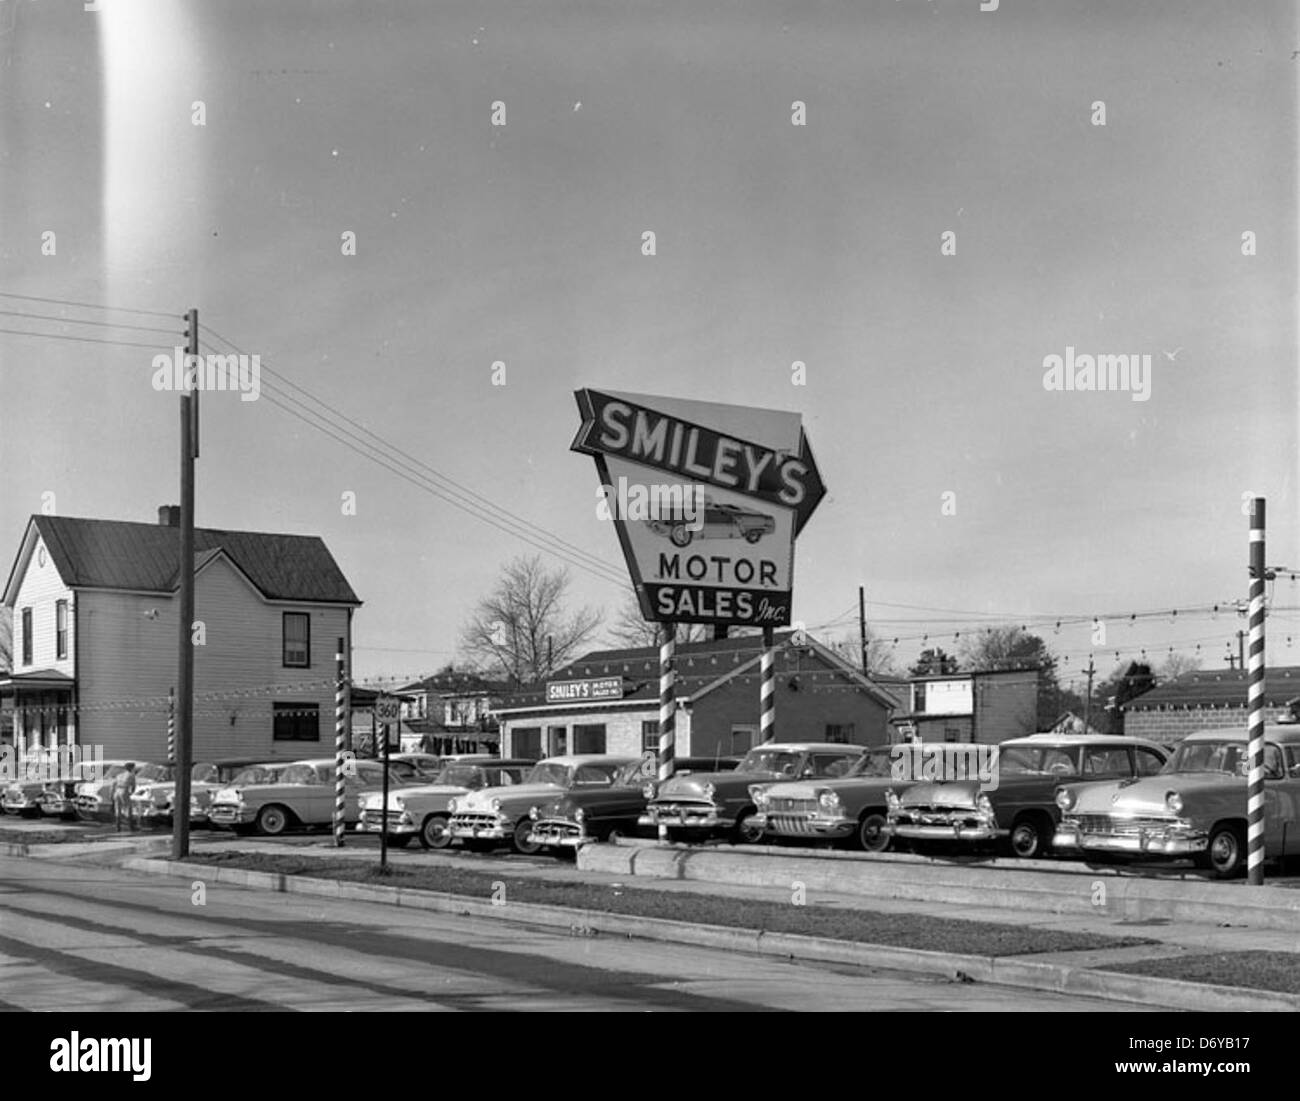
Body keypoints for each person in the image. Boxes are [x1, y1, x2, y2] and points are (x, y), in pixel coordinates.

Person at [113, 762, 138, 832]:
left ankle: (118, 827)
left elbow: (113, 785)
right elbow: (133, 786)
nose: (134, 769)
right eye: (134, 767)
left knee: (118, 810)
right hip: (124, 790)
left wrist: (112, 794)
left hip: (117, 791)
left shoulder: (119, 775)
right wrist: (131, 793)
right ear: (131, 768)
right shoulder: (131, 775)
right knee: (128, 809)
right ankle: (131, 827)